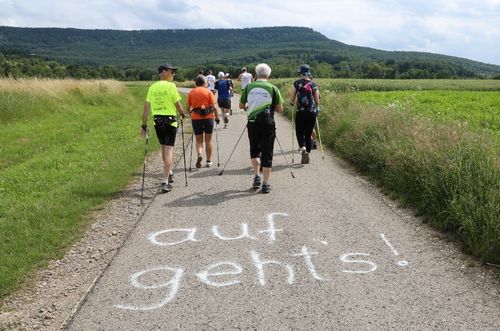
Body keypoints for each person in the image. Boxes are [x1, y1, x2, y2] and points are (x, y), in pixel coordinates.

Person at [141, 63, 186, 193]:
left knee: (163, 147)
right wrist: (183, 114)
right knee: (169, 149)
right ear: (164, 72)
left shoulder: (152, 87)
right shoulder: (171, 86)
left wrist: (144, 125)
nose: (174, 75)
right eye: (172, 72)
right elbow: (178, 105)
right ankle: (165, 181)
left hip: (158, 121)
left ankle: (169, 172)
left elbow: (146, 107)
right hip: (170, 121)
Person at [239, 63, 284, 194]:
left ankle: (256, 176)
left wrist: (250, 107)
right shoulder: (273, 88)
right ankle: (265, 183)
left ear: (256, 74)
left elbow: (241, 105)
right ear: (269, 74)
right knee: (267, 152)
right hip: (268, 124)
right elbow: (280, 109)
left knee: (254, 149)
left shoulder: (248, 87)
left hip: (252, 123)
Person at [186, 75, 220, 168]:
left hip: (196, 119)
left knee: (198, 140)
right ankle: (208, 161)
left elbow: (187, 108)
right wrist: (217, 118)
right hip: (208, 118)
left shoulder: (191, 92)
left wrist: (191, 115)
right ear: (204, 83)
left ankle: (199, 154)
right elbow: (214, 107)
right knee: (208, 140)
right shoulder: (209, 92)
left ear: (196, 83)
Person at [290, 64, 320, 164]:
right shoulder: (313, 84)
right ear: (309, 73)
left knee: (299, 132)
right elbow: (316, 98)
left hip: (301, 111)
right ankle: (307, 151)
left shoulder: (296, 83)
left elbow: (292, 98)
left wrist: (291, 103)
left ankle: (303, 150)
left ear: (300, 73)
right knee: (308, 133)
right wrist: (317, 107)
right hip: (311, 112)